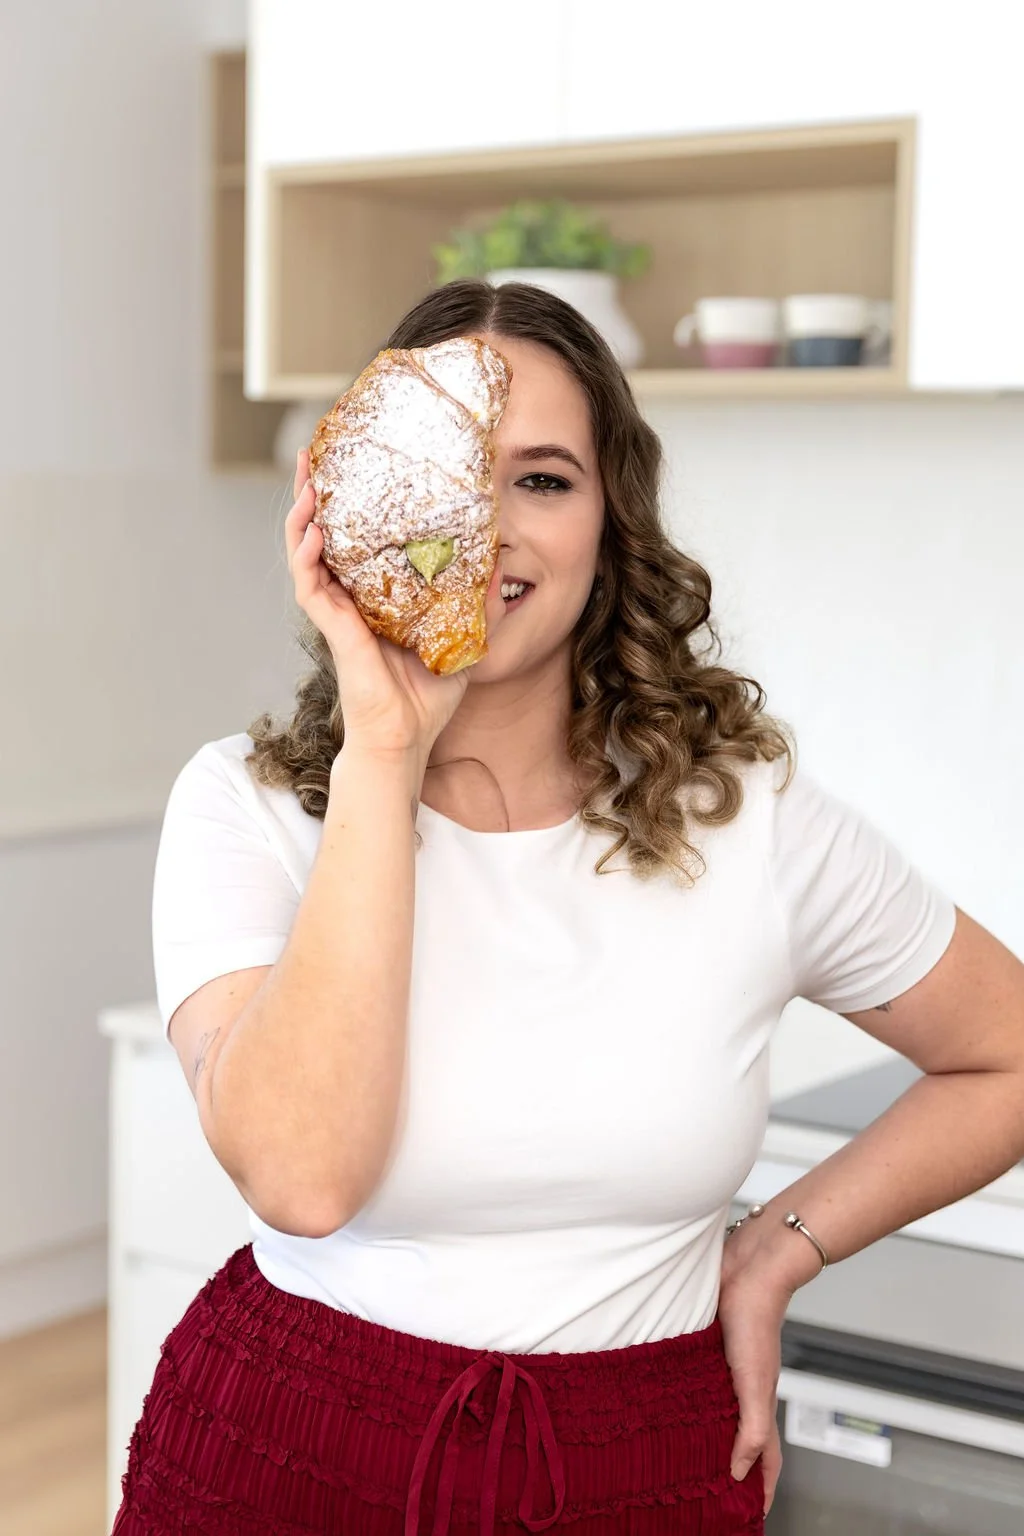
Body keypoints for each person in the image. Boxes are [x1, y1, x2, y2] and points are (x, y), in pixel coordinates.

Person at [112, 280, 1024, 1536]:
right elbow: (302, 1179)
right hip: (289, 1448)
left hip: (642, 1465)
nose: (481, 528)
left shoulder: (744, 817)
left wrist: (773, 1253)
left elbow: (1008, 1055)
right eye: (440, 474)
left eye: (541, 480)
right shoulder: (248, 806)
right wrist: (388, 749)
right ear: (351, 503)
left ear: (611, 522)